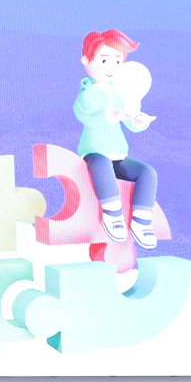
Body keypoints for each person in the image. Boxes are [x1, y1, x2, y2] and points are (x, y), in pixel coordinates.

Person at [73, 29, 161, 248]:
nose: (111, 67)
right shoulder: (87, 94)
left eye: (118, 61)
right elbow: (86, 116)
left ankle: (142, 220)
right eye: (104, 60)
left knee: (147, 172)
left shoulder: (120, 93)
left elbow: (130, 121)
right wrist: (108, 115)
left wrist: (138, 120)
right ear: (86, 60)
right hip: (94, 153)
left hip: (119, 156)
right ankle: (112, 213)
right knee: (101, 163)